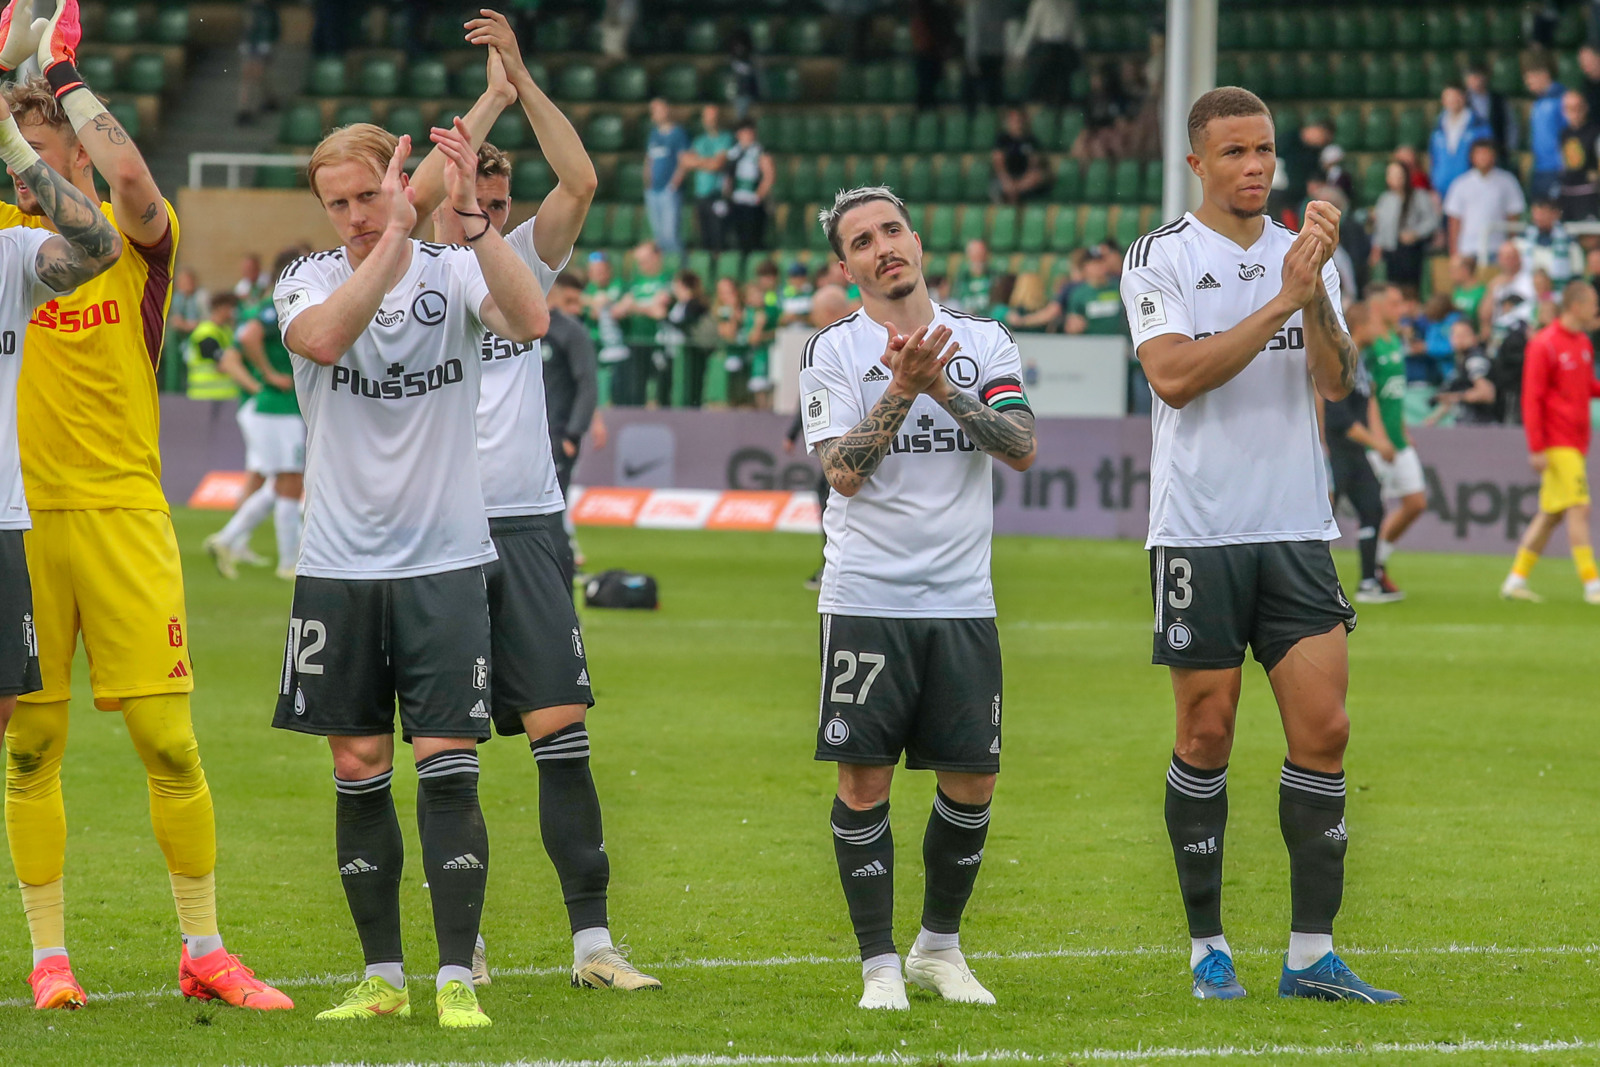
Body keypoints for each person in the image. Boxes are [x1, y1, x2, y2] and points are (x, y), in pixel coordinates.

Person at [2, 17, 290, 1007]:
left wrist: (62, 72)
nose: (25, 174)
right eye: (17, 155)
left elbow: (131, 186)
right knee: (30, 748)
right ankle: (50, 958)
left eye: (44, 155)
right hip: (21, 521)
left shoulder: (130, 236)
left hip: (125, 514)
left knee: (170, 741)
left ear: (77, 147)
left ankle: (203, 947)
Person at [1120, 86, 1400, 1004]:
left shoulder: (1305, 254)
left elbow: (1335, 376)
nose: (1255, 166)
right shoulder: (1159, 257)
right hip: (1198, 533)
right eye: (1235, 151)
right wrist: (1284, 294)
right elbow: (1175, 378)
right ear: (1197, 162)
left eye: (1266, 149)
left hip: (1296, 529)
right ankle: (1208, 946)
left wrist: (1313, 294)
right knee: (1206, 734)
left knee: (1326, 731)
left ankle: (1312, 956)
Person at [273, 115, 547, 1028]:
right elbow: (321, 341)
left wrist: (468, 212)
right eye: (337, 202)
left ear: (401, 180)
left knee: (448, 765)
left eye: (366, 194)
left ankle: (455, 976)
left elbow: (531, 318)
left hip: (444, 561)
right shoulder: (305, 277)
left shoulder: (456, 268)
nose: (352, 213)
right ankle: (382, 975)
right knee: (357, 762)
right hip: (340, 567)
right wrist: (392, 234)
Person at [425, 9, 654, 991]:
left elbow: (583, 180)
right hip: (433, 535)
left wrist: (519, 76)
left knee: (563, 737)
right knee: (451, 753)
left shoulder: (524, 262)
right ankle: (462, 947)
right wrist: (479, 109)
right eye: (472, 176)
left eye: (497, 182)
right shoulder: (406, 275)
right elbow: (420, 185)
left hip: (523, 528)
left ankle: (592, 945)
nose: (486, 192)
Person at [800, 185, 1037, 1010]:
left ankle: (938, 947)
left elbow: (1021, 446)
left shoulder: (982, 338)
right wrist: (903, 387)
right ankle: (877, 966)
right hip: (868, 594)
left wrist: (942, 388)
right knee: (863, 782)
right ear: (847, 265)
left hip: (964, 599)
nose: (883, 247)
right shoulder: (832, 350)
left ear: (917, 239)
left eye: (892, 230)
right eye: (862, 241)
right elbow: (843, 473)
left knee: (973, 781)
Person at [0, 58, 123, 1011]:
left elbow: (97, 244)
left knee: (8, 728)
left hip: (6, 523)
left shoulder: (10, 261)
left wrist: (15, 144)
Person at [1502, 280, 1600, 603]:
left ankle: (1515, 580)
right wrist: (1536, 446)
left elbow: (1586, 387)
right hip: (1558, 443)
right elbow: (1533, 398)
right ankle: (1592, 584)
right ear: (1576, 305)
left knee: (1551, 515)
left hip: (1576, 440)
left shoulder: (1584, 343)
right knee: (1579, 508)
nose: (1596, 309)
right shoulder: (1545, 344)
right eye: (1592, 303)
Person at [220, 248, 305, 580]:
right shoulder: (275, 306)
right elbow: (244, 339)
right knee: (287, 482)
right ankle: (288, 562)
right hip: (275, 408)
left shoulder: (272, 305)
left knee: (274, 483)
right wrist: (268, 375)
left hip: (274, 408)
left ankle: (229, 540)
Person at [1324, 302, 1399, 603]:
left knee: (1372, 507)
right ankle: (1308, 583)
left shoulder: (1359, 359)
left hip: (1354, 452)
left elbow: (1366, 405)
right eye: (1378, 321)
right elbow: (1339, 418)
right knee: (1322, 518)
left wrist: (1378, 439)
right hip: (1336, 452)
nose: (1383, 328)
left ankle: (1369, 582)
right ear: (1362, 324)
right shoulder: (1341, 357)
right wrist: (1377, 443)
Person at [784, 283, 855, 590]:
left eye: (815, 312)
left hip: (850, 440)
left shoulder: (831, 343)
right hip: (867, 438)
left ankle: (837, 566)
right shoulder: (858, 335)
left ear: (826, 312)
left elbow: (813, 397)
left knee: (831, 494)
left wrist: (793, 432)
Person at [1360, 282, 1426, 589]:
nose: (1401, 310)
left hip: (1397, 438)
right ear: (1377, 306)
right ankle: (1368, 574)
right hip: (1378, 442)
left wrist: (1401, 429)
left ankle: (1379, 561)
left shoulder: (1393, 340)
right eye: (1395, 304)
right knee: (1372, 509)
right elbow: (1368, 394)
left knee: (1416, 502)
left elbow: (1392, 392)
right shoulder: (1368, 343)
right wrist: (1378, 437)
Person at [1444, 139, 1526, 263]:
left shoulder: (1507, 181)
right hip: (1467, 250)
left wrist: (1510, 248)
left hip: (1497, 249)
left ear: (1494, 156)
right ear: (1472, 157)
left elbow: (1513, 217)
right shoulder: (1460, 184)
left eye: (1486, 154)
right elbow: (1454, 221)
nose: (1483, 158)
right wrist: (1454, 253)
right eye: (1479, 154)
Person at [614, 240, 671, 406]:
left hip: (659, 342)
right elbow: (617, 311)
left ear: (657, 257)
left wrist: (633, 307)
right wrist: (647, 307)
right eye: (639, 261)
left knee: (662, 387)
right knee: (635, 388)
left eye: (645, 260)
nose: (642, 265)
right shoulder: (633, 283)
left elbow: (660, 312)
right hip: (635, 341)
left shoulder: (666, 280)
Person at [1368, 160, 1439, 290]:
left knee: (1410, 288)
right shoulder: (1385, 199)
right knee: (1392, 287)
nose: (1394, 178)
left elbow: (1432, 221)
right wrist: (1376, 248)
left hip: (1411, 251)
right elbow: (1380, 228)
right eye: (1391, 175)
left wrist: (1416, 233)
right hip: (1390, 252)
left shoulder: (1419, 196)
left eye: (1398, 174)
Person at [1427, 318, 1499, 426]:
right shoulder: (1461, 360)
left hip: (1481, 426)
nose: (1459, 339)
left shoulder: (1475, 359)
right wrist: (1433, 419)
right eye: (1455, 335)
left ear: (1475, 337)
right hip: (1465, 424)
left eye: (1464, 335)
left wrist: (1454, 397)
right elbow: (1458, 392)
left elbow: (1486, 393)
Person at [643, 98, 688, 254]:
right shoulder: (654, 134)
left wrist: (674, 184)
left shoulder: (678, 133)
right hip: (653, 190)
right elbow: (649, 159)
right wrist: (647, 182)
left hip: (668, 190)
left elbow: (683, 161)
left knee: (670, 236)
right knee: (658, 237)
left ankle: (680, 269)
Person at [1429, 84, 1491, 197]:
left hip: (1470, 190)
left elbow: (1486, 157)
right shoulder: (1437, 128)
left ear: (1463, 97)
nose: (1452, 101)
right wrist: (1434, 188)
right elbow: (1434, 160)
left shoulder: (1478, 125)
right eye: (1448, 97)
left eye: (1455, 97)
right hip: (1442, 189)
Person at [1015, 0, 1078, 108]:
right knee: (1040, 81)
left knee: (1062, 86)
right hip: (1045, 47)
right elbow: (1031, 28)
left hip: (1063, 48)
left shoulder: (1069, 3)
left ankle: (1059, 107)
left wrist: (1080, 47)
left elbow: (1075, 28)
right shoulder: (1040, 3)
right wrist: (1020, 52)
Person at [665, 269, 715, 406]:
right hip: (676, 352)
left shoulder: (694, 304)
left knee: (692, 385)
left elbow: (686, 326)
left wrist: (663, 318)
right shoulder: (679, 304)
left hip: (692, 352)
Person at [686, 104, 732, 251]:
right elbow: (686, 162)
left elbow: (718, 165)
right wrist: (709, 162)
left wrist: (699, 162)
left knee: (718, 236)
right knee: (704, 237)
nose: (711, 120)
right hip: (701, 194)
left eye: (714, 116)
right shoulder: (699, 140)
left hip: (718, 194)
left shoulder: (726, 138)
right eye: (708, 117)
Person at [725, 119, 774, 254]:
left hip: (752, 201)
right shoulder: (734, 153)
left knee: (753, 239)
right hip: (737, 200)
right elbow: (728, 177)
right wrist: (727, 196)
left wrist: (758, 195)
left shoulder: (759, 152)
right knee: (738, 238)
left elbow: (769, 175)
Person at [1523, 61, 1567, 201]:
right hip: (1539, 168)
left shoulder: (1561, 98)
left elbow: (1568, 132)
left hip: (1556, 168)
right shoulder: (1537, 103)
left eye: (1530, 78)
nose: (1528, 83)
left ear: (1544, 74)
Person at [992, 107, 1050, 204]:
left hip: (1024, 179)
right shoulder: (1002, 139)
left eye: (1019, 120)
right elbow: (998, 163)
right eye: (1014, 120)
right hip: (1006, 177)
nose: (1017, 123)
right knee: (997, 184)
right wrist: (1007, 181)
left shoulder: (1031, 140)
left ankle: (1014, 194)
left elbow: (1034, 164)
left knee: (1038, 176)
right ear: (1009, 122)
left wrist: (1018, 185)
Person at [1557, 89, 1600, 220]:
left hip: (1589, 195)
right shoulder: (1563, 134)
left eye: (1577, 108)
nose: (1574, 113)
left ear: (1585, 108)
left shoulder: (1595, 132)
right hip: (1568, 194)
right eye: (1569, 108)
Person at [236, 0, 280, 125]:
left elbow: (274, 31)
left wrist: (268, 45)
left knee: (257, 75)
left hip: (262, 46)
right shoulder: (249, 10)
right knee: (249, 76)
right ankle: (244, 109)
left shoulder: (269, 12)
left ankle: (251, 106)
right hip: (251, 46)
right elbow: (245, 30)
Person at [1519, 198, 1580, 284]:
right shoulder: (1524, 237)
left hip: (1560, 288)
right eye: (1535, 214)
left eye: (1542, 214)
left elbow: (1577, 271)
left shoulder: (1568, 240)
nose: (1538, 218)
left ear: (1555, 214)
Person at [1465, 65, 1518, 162]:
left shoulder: (1499, 99)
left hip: (1497, 151)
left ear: (1485, 78)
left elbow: (1510, 124)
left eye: (1478, 77)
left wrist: (1509, 147)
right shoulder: (1463, 100)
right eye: (1472, 78)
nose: (1475, 81)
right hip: (1470, 154)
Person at [951, 238, 991, 312]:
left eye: (980, 254)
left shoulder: (993, 277)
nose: (977, 259)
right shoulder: (961, 279)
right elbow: (954, 301)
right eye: (974, 255)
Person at [1448, 254, 1485, 324]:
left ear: (1465, 270)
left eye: (1453, 269)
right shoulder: (1457, 290)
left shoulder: (1482, 292)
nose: (1451, 273)